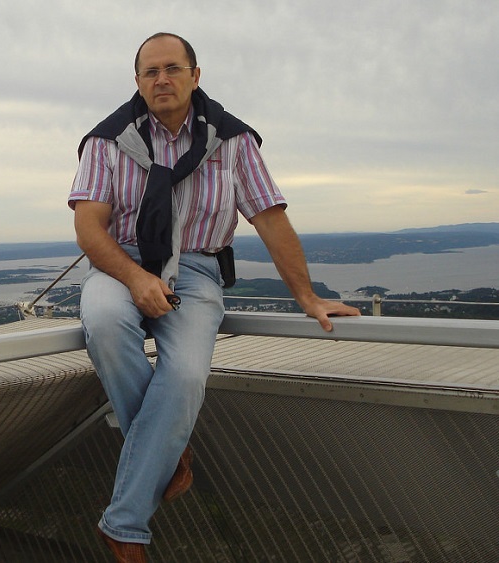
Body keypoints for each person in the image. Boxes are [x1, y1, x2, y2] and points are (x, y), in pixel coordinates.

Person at [68, 32, 361, 562]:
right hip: (119, 263)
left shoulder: (232, 141)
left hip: (197, 268)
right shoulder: (106, 141)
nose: (162, 79)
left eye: (172, 69)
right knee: (106, 325)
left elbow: (270, 219)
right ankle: (147, 493)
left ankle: (123, 514)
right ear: (137, 81)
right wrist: (135, 278)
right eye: (151, 71)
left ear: (195, 76)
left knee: (184, 376)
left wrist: (308, 297)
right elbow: (90, 230)